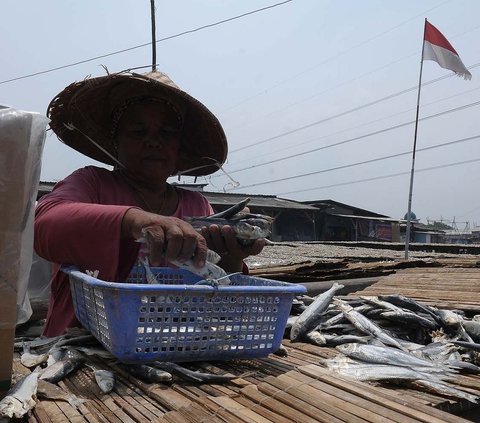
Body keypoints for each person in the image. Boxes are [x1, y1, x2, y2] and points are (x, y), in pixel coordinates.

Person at [35, 70, 265, 337]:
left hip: (173, 343)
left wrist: (233, 257)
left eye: (166, 133)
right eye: (137, 131)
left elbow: (218, 286)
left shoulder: (197, 205)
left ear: (179, 149)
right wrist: (135, 219)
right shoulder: (91, 183)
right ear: (116, 142)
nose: (153, 141)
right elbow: (45, 225)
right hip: (80, 345)